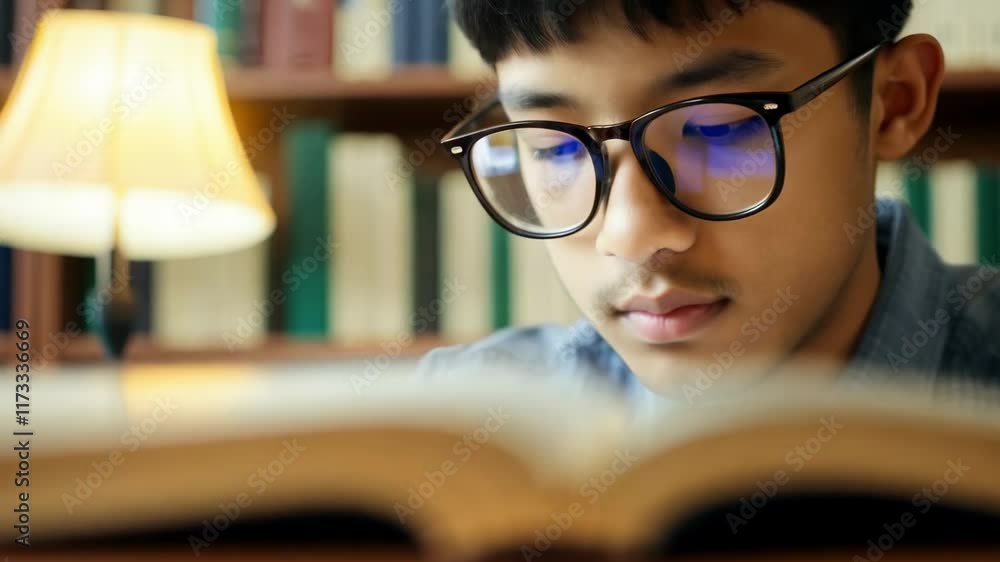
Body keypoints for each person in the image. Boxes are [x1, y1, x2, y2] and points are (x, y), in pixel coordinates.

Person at [419, 0, 1000, 405]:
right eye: (554, 148)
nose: (630, 234)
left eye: (717, 132)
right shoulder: (453, 418)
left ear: (893, 103)